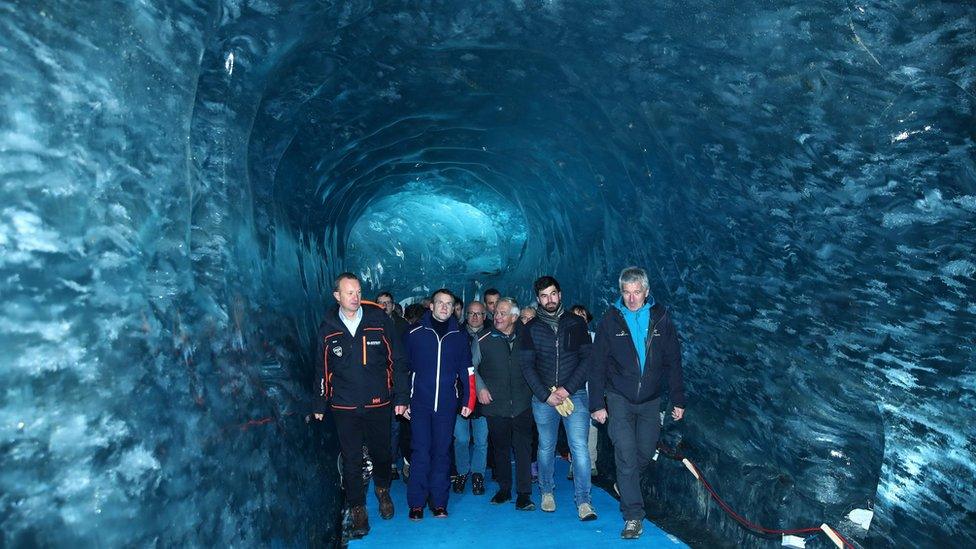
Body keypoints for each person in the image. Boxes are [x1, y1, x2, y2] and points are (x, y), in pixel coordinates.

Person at [589, 267, 686, 540]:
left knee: (643, 452)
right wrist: (597, 403)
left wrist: (678, 398)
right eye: (626, 292)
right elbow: (596, 366)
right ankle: (633, 516)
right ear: (621, 292)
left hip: (651, 401)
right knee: (626, 455)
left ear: (646, 292)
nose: (631, 299)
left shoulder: (661, 319)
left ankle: (625, 483)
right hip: (619, 398)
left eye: (637, 292)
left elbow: (674, 361)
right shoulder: (610, 320)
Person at [313, 273, 409, 539]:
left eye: (358, 291)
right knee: (352, 459)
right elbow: (321, 368)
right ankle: (357, 507)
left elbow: (398, 361)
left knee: (382, 452)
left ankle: (382, 490)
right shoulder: (328, 327)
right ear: (337, 296)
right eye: (349, 293)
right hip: (344, 407)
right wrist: (319, 401)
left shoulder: (379, 320)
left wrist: (402, 397)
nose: (355, 297)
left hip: (379, 403)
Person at [519, 275, 596, 521]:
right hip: (543, 398)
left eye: (553, 294)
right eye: (544, 295)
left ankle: (584, 500)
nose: (549, 299)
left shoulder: (576, 323)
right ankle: (546, 492)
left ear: (560, 294)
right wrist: (545, 394)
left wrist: (566, 390)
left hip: (575, 394)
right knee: (546, 446)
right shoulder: (530, 328)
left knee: (580, 449)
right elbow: (527, 365)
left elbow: (587, 359)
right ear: (538, 299)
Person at [403, 289, 476, 520]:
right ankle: (416, 503)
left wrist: (468, 400)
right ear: (431, 306)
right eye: (440, 303)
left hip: (446, 406)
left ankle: (439, 503)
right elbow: (402, 369)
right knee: (421, 453)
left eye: (449, 303)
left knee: (442, 454)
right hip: (420, 405)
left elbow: (468, 371)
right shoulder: (414, 333)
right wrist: (402, 400)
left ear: (454, 308)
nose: (444, 307)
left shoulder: (459, 336)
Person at [478, 297, 536, 511]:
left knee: (523, 449)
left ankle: (524, 494)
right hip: (496, 405)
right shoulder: (482, 338)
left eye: (503, 313)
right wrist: (481, 387)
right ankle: (503, 490)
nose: (497, 316)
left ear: (514, 317)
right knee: (500, 449)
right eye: (496, 313)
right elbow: (470, 367)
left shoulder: (528, 337)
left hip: (522, 403)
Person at [453, 300, 490, 495]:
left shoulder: (492, 335)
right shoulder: (456, 335)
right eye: (471, 313)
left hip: (485, 397)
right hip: (461, 395)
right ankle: (461, 472)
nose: (475, 317)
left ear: (485, 316)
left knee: (481, 440)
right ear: (465, 315)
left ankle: (478, 474)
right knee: (461, 438)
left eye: (479, 313)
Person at [377, 291, 410, 480]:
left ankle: (397, 462)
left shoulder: (403, 326)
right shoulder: (370, 324)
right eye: (380, 302)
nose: (384, 306)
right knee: (382, 426)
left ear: (393, 304)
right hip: (378, 384)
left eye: (387, 303)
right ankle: (387, 462)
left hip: (399, 381)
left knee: (398, 425)